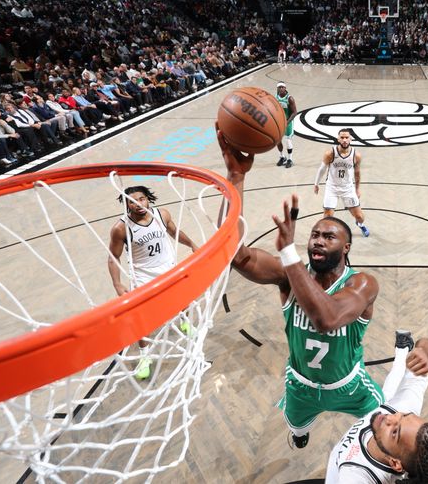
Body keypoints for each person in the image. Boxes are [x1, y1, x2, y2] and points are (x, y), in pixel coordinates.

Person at [217, 130, 384, 448]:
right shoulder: (288, 274)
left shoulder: (362, 283)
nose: (319, 239)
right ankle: (300, 431)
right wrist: (235, 177)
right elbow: (236, 254)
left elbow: (328, 317)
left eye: (329, 236)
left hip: (350, 385)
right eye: (315, 234)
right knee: (295, 428)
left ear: (346, 248)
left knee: (382, 427)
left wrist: (288, 253)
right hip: (301, 385)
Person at [325, 331, 428, 484]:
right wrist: (422, 352)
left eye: (395, 432)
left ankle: (402, 350)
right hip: (337, 457)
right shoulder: (402, 408)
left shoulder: (356, 477)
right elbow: (427, 345)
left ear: (395, 463)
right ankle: (403, 350)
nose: (391, 416)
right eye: (404, 416)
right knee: (391, 390)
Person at [107, 186, 198, 380]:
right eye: (132, 201)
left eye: (142, 199)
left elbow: (175, 232)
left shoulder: (161, 214)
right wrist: (117, 283)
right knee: (140, 319)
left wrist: (191, 244)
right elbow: (113, 257)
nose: (138, 204)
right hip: (143, 277)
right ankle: (144, 356)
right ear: (126, 205)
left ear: (148, 199)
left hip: (168, 268)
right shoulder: (121, 228)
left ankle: (185, 322)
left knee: (184, 300)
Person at [314, 128, 370, 237]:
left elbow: (357, 173)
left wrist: (357, 189)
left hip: (347, 188)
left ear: (351, 139)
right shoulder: (330, 153)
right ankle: (327, 236)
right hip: (332, 187)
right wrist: (316, 183)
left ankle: (360, 224)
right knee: (327, 216)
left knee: (360, 217)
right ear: (338, 139)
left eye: (347, 137)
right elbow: (322, 169)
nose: (344, 140)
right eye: (342, 137)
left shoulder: (356, 155)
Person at [275, 82, 298, 168]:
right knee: (278, 141)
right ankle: (282, 157)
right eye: (279, 87)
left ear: (285, 88)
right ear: (277, 89)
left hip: (288, 121)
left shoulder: (289, 98)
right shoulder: (275, 98)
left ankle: (290, 159)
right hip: (278, 122)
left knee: (288, 141)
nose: (281, 89)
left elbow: (295, 112)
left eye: (282, 87)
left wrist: (287, 122)